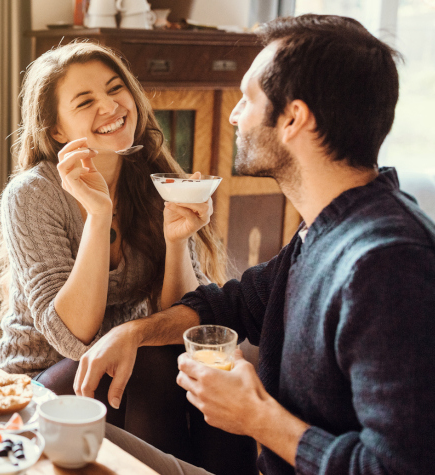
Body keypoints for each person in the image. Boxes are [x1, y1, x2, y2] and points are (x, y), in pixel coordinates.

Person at [75, 14, 435, 475]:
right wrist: (135, 332)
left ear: (293, 119)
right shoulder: (323, 230)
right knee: (83, 438)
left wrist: (259, 419)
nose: (234, 114)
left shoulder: (386, 265)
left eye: (247, 98)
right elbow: (236, 303)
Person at [0, 42, 257, 473]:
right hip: (41, 378)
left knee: (208, 366)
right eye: (85, 101)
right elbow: (74, 335)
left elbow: (179, 317)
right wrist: (98, 215)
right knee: (151, 364)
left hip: (131, 359)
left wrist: (176, 241)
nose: (110, 106)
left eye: (116, 89)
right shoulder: (32, 195)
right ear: (56, 130)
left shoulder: (150, 178)